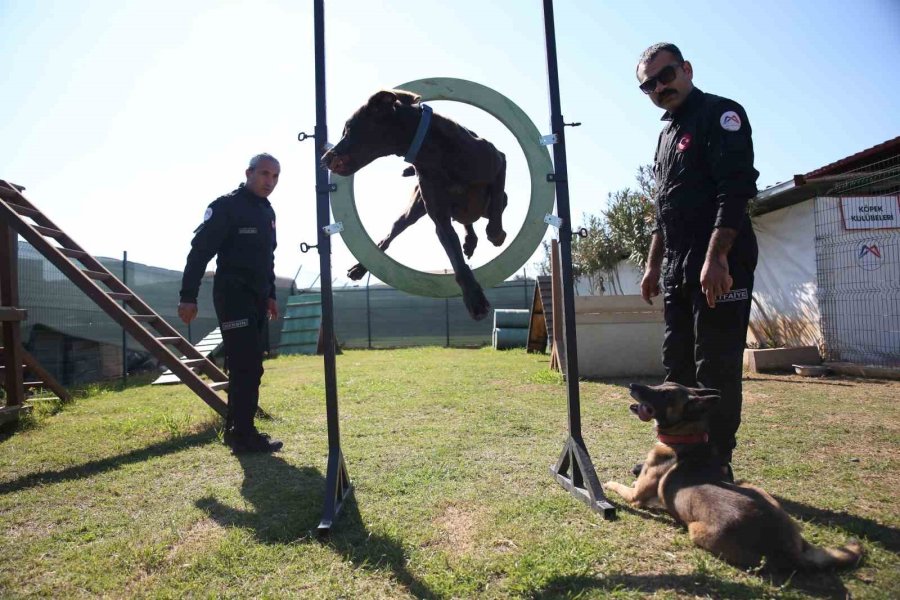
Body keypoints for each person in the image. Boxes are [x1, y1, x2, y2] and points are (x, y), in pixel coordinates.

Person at [636, 43, 759, 480]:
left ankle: (717, 461)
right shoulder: (667, 133)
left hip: (719, 263)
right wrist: (653, 266)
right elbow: (663, 210)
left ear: (686, 69)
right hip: (678, 268)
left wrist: (718, 257)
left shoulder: (721, 114)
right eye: (648, 84)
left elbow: (736, 190)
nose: (658, 87)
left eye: (665, 76)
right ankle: (675, 456)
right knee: (678, 366)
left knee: (716, 368)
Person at [178, 153, 283, 453]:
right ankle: (243, 435)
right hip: (233, 296)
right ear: (249, 172)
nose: (270, 181)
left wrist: (272, 294)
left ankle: (237, 429)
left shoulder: (267, 211)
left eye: (275, 177)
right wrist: (188, 296)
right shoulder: (226, 207)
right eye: (264, 174)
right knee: (245, 364)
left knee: (250, 366)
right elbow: (199, 253)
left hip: (258, 298)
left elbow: (267, 258)